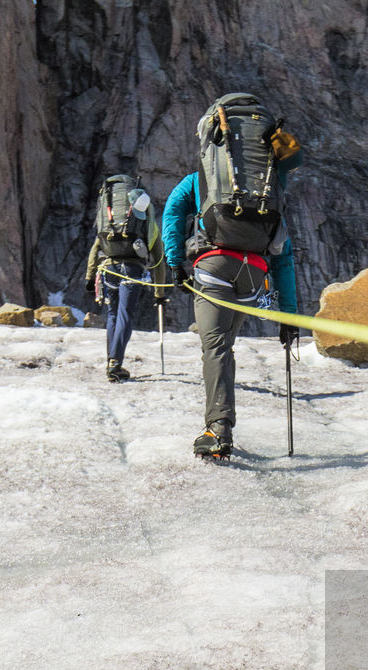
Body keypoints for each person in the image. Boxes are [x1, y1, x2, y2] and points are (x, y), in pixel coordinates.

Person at [162, 95, 301, 458]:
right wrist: (289, 317)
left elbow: (173, 213)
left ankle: (218, 428)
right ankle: (220, 422)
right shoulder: (269, 194)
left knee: (217, 348)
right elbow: (284, 254)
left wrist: (175, 262)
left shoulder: (200, 181)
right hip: (254, 276)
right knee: (226, 344)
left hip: (214, 269)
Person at [85, 174, 168, 382]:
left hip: (108, 267)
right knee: (125, 314)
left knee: (112, 314)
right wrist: (159, 293)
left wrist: (89, 277)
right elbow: (158, 258)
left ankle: (111, 362)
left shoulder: (108, 217)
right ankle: (116, 363)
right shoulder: (145, 219)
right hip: (132, 269)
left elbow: (97, 246)